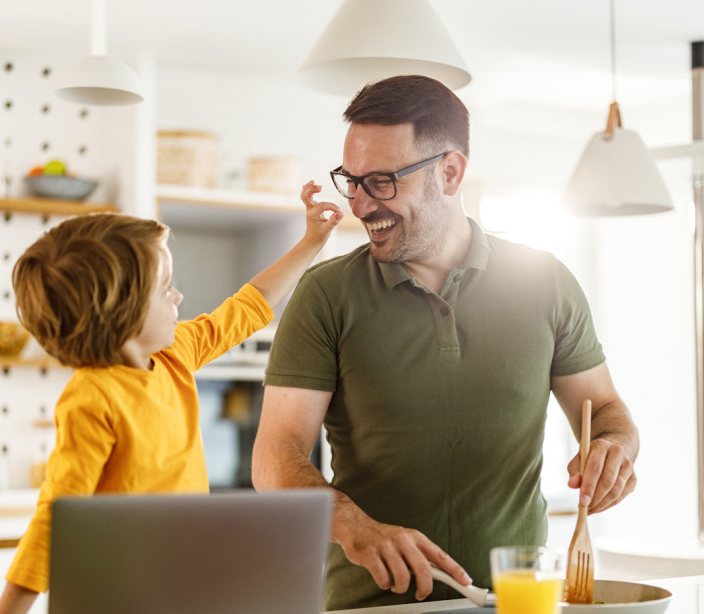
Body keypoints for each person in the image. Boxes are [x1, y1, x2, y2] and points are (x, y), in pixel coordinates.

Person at [252, 75, 640, 610]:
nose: (360, 205)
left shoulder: (546, 282)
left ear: (451, 171)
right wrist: (355, 528)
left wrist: (614, 449)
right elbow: (275, 456)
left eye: (382, 181)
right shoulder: (326, 295)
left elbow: (609, 413)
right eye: (352, 180)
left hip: (516, 603)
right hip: (370, 607)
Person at [0, 183, 344, 614]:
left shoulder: (176, 353)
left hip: (180, 575)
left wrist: (311, 241)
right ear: (120, 311)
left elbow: (250, 306)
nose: (178, 296)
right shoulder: (91, 397)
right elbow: (55, 518)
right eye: (164, 289)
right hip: (117, 592)